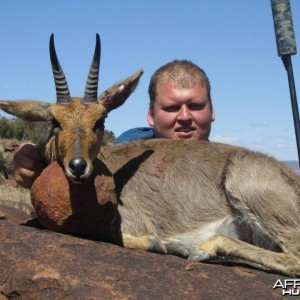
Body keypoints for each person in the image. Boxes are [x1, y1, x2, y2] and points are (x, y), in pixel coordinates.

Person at [13, 60, 215, 188]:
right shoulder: (129, 147)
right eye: (171, 107)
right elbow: (85, 165)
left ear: (213, 111)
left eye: (196, 105)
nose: (185, 117)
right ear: (150, 115)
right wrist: (34, 159)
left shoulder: (230, 162)